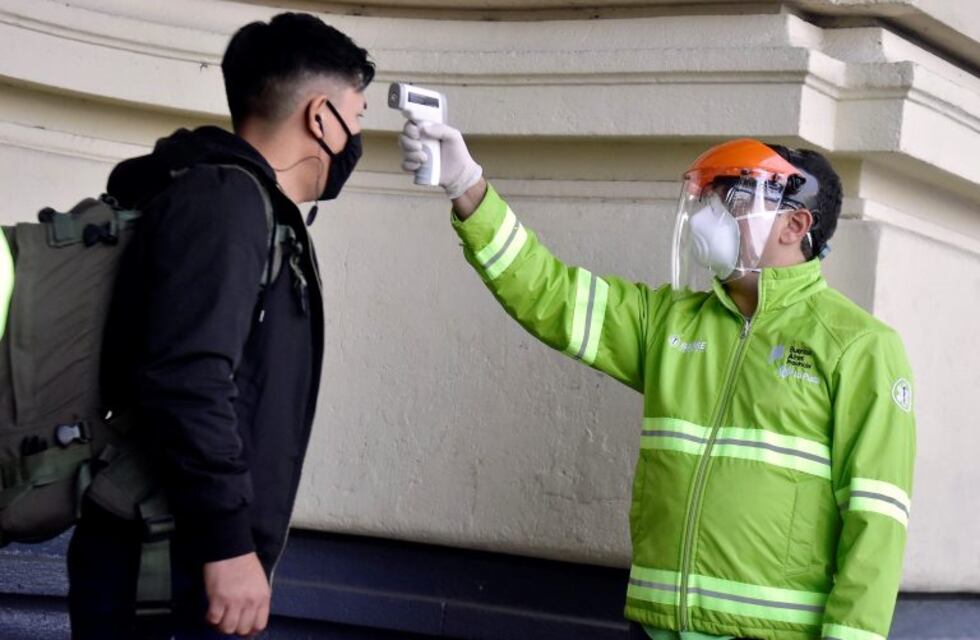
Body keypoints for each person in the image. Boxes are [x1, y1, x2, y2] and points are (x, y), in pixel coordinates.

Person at [400, 124, 916, 640]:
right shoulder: (668, 322)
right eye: (709, 198)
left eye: (731, 200)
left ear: (794, 224)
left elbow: (876, 526)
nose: (711, 216)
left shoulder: (858, 347)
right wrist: (467, 186)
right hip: (654, 629)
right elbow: (549, 293)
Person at [67, 13, 373, 639]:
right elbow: (189, 378)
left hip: (175, 553)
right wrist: (230, 546)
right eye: (358, 117)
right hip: (166, 563)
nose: (358, 139)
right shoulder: (227, 202)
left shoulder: (236, 200)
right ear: (321, 117)